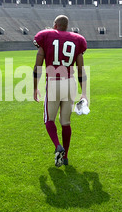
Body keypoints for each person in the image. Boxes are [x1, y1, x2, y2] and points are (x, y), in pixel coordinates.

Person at [33, 15, 88, 167]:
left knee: (49, 119)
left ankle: (58, 145)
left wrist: (34, 87)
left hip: (53, 82)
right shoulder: (77, 40)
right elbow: (81, 70)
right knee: (66, 122)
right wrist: (84, 92)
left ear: (55, 25)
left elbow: (37, 66)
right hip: (70, 82)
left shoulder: (46, 37)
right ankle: (66, 157)